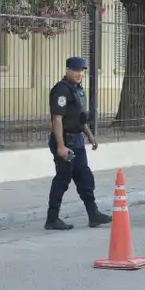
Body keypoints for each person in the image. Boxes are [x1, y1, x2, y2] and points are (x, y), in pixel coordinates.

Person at [45, 56, 112, 231]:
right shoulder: (61, 90)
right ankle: (52, 218)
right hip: (65, 141)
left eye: (81, 70)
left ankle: (93, 214)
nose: (79, 73)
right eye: (75, 70)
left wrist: (90, 135)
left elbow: (79, 118)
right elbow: (57, 120)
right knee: (62, 179)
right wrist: (60, 146)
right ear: (67, 70)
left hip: (78, 141)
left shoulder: (77, 89)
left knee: (85, 178)